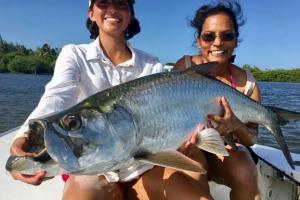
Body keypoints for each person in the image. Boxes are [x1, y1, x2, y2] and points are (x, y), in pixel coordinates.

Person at [9, 1, 210, 200]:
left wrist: (186, 136)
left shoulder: (151, 65)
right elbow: (56, 96)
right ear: (91, 13)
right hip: (91, 172)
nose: (112, 10)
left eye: (121, 4)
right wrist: (25, 135)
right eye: (103, 3)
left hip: (143, 167)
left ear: (131, 14)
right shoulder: (74, 54)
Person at [174, 1, 262, 200]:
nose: (217, 42)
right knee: (193, 165)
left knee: (246, 171)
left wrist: (235, 125)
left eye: (227, 35)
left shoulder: (247, 83)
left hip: (227, 150)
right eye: (209, 36)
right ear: (198, 41)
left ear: (236, 40)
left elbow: (251, 139)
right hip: (191, 146)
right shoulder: (184, 66)